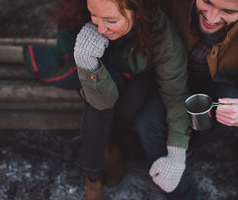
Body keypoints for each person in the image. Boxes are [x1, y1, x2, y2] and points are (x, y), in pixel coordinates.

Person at [22, 0, 194, 199]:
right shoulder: (75, 18)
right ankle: (93, 176)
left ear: (139, 12)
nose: (100, 28)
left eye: (111, 20)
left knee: (136, 92)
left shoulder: (161, 32)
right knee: (99, 107)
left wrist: (176, 155)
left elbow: (175, 94)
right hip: (91, 76)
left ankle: (112, 143)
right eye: (94, 15)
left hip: (132, 72)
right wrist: (88, 64)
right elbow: (100, 100)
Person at [134, 0, 238, 199]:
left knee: (224, 116)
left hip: (217, 83)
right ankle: (178, 181)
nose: (211, 18)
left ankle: (181, 152)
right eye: (207, 2)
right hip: (167, 77)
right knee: (146, 121)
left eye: (228, 11)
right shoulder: (172, 4)